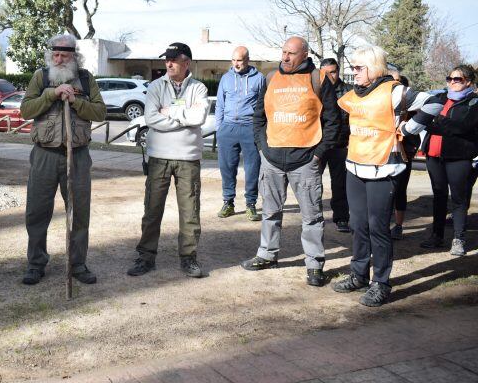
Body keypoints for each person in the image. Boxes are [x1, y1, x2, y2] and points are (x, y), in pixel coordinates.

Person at [332, 45, 440, 306]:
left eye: (359, 68)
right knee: (358, 226)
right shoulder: (353, 94)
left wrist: (411, 127)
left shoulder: (394, 91)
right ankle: (358, 274)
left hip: (384, 168)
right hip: (355, 167)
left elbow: (436, 101)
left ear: (374, 68)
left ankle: (381, 283)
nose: (353, 72)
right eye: (353, 68)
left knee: (378, 227)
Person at [241, 36, 340, 287]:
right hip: (272, 159)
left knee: (312, 217)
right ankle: (267, 254)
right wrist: (262, 147)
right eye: (283, 52)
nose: (285, 57)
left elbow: (333, 121)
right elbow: (258, 116)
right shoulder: (271, 78)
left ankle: (314, 264)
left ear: (304, 55)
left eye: (291, 53)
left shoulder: (318, 79)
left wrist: (319, 154)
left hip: (306, 160)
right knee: (270, 212)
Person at [19, 34, 105, 285]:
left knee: (78, 213)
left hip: (77, 156)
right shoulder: (41, 77)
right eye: (55, 55)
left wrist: (76, 101)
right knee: (37, 212)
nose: (59, 59)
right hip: (44, 154)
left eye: (64, 55)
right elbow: (26, 110)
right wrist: (52, 94)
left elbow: (99, 111)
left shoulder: (87, 80)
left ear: (74, 57)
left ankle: (77, 264)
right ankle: (35, 264)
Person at [127, 43, 209, 278]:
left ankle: (189, 257)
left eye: (174, 59)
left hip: (188, 158)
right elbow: (152, 119)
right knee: (152, 209)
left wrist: (169, 112)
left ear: (187, 63)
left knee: (190, 211)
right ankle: (146, 257)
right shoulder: (155, 86)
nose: (169, 63)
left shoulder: (199, 88)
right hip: (159, 157)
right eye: (167, 59)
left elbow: (200, 117)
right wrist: (184, 117)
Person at [419, 64, 478, 256]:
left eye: (457, 79)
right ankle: (437, 236)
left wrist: (436, 122)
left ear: (469, 81)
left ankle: (458, 239)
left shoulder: (474, 102)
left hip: (458, 157)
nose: (452, 82)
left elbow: (463, 127)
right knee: (439, 196)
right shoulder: (441, 98)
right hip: (434, 156)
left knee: (459, 200)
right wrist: (433, 123)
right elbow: (424, 120)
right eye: (450, 78)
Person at [215, 46, 265, 221]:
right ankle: (228, 202)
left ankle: (251, 204)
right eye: (234, 60)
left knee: (252, 169)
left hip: (249, 128)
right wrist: (219, 128)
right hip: (228, 128)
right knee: (227, 168)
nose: (236, 63)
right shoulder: (226, 78)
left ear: (247, 60)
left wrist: (259, 130)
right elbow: (220, 105)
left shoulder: (259, 79)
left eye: (240, 60)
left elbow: (263, 106)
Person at [318, 58, 352, 233]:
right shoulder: (316, 88)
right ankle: (315, 216)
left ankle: (341, 218)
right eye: (325, 72)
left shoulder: (348, 91)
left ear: (338, 71)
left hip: (340, 144)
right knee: (314, 181)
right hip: (320, 144)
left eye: (333, 72)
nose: (330, 76)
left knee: (340, 183)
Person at [386, 68, 420, 241]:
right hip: (380, 154)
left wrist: (409, 150)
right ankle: (381, 225)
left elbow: (415, 133)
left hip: (403, 155)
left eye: (397, 81)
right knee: (383, 192)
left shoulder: (409, 105)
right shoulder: (378, 102)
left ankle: (398, 226)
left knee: (399, 190)